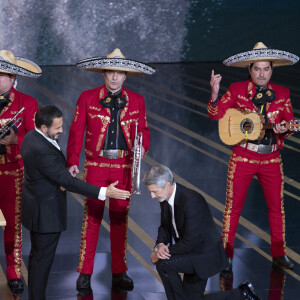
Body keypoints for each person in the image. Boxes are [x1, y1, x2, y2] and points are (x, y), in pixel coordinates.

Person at [66, 48, 155, 291]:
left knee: (119, 219)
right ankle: (85, 272)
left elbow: (144, 131)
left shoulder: (137, 100)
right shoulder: (87, 97)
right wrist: (72, 160)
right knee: (92, 218)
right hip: (95, 165)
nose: (114, 77)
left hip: (123, 166)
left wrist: (142, 148)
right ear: (103, 74)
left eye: (119, 73)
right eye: (110, 73)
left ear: (125, 75)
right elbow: (76, 131)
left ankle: (119, 271)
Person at [21, 105, 130, 300]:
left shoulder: (31, 136)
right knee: (42, 262)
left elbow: (52, 172)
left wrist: (62, 172)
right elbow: (68, 182)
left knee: (37, 258)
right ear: (44, 127)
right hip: (46, 213)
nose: (62, 130)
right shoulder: (41, 149)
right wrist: (105, 191)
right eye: (57, 128)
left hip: (36, 208)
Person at [208, 42, 299, 271]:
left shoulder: (283, 93)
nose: (261, 73)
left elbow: (290, 122)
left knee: (277, 208)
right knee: (233, 207)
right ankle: (226, 255)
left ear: (272, 70)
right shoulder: (238, 90)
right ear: (250, 70)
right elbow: (216, 115)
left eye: (266, 69)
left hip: (271, 159)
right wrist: (215, 93)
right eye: (257, 69)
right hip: (243, 156)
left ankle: (279, 255)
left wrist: (284, 129)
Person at [143, 164, 261, 300]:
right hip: (191, 252)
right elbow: (164, 226)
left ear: (168, 184)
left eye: (155, 191)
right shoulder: (164, 197)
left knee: (164, 264)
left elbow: (192, 240)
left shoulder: (191, 200)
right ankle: (241, 294)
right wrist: (160, 245)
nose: (152, 196)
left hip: (203, 255)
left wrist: (161, 254)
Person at [0, 50, 41, 294]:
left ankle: (14, 270)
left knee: (13, 225)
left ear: (13, 77)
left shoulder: (28, 103)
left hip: (13, 173)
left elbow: (36, 139)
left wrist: (17, 139)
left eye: (2, 74)